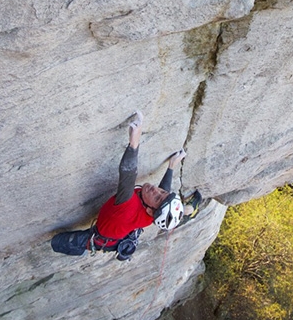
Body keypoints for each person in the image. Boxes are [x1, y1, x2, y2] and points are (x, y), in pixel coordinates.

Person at [51, 111, 202, 261]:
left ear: (149, 210)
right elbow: (164, 193)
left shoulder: (128, 204)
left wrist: (134, 142)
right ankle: (189, 209)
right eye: (161, 192)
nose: (156, 189)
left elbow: (127, 174)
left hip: (102, 238)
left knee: (56, 242)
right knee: (166, 201)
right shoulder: (155, 212)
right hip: (123, 230)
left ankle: (84, 251)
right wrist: (171, 167)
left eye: (156, 196)